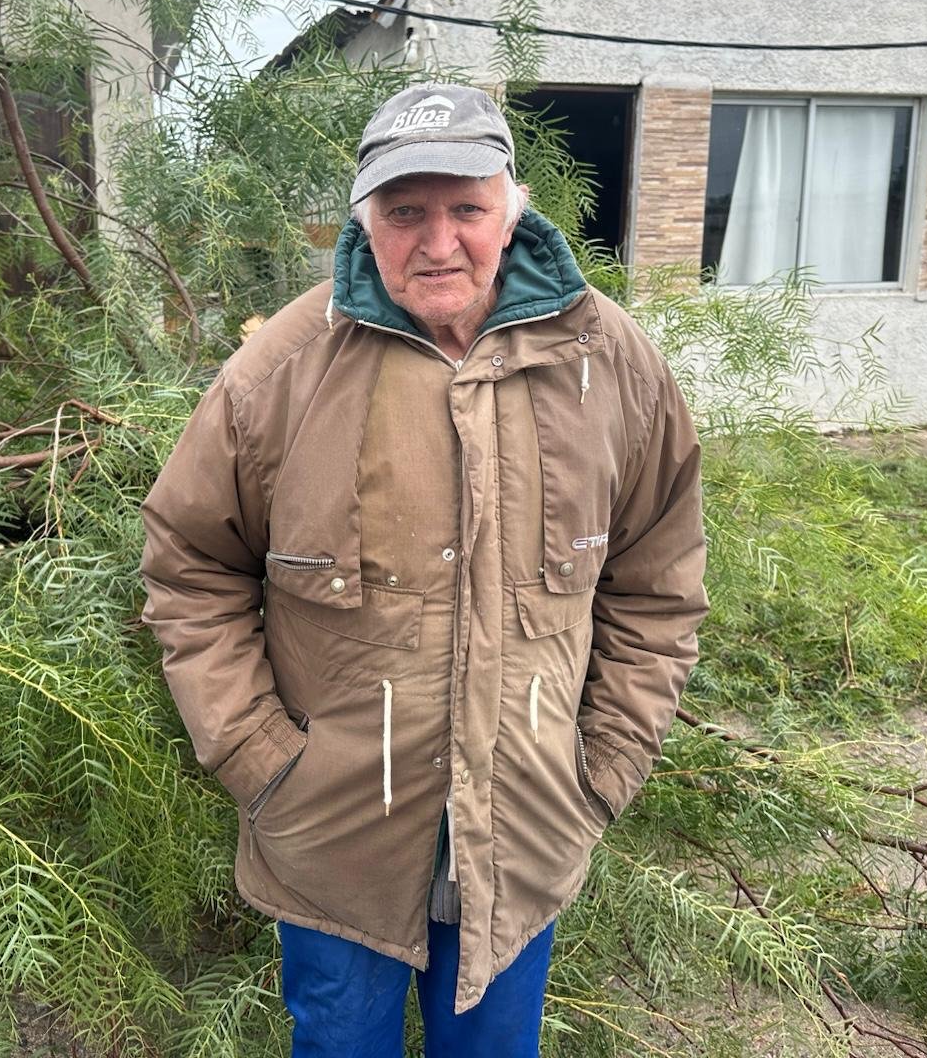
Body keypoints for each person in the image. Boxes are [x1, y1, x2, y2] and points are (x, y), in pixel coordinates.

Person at [139, 82, 708, 1056]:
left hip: (528, 825)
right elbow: (191, 565)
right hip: (332, 841)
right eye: (406, 211)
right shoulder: (281, 370)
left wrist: (603, 767)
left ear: (511, 210)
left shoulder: (606, 363)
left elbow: (656, 585)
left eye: (465, 209)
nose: (437, 241)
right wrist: (261, 764)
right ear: (366, 219)